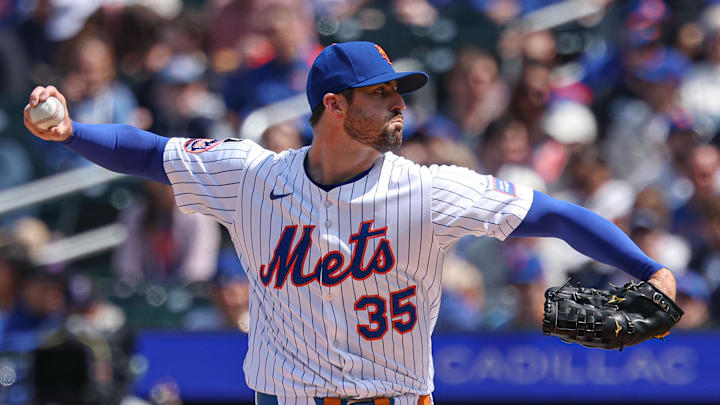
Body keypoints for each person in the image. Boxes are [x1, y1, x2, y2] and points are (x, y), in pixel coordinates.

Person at [24, 41, 676, 405]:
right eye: (381, 93)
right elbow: (146, 151)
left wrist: (651, 270)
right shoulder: (252, 176)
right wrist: (72, 130)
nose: (399, 104)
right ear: (334, 106)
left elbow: (556, 214)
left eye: (399, 92)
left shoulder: (428, 190)